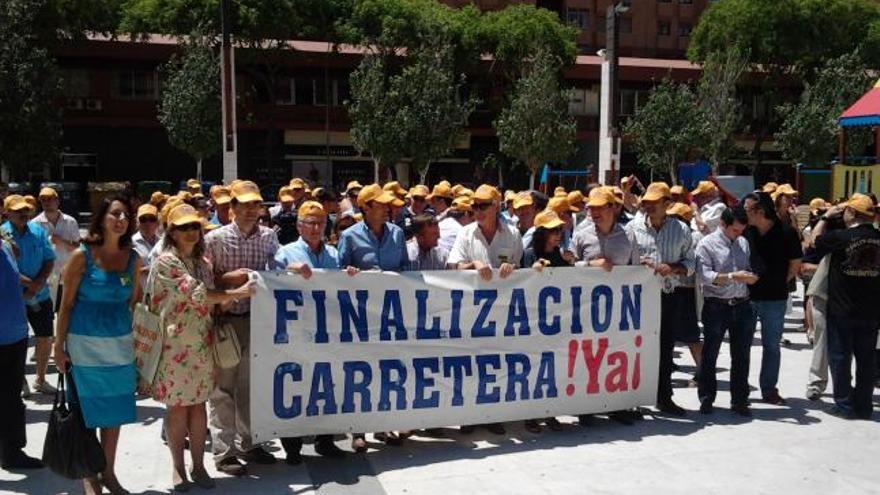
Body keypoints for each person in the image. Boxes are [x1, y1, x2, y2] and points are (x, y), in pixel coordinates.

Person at [149, 204, 253, 490]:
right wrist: (236, 293)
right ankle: (178, 468)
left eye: (195, 226)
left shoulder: (203, 263)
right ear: (171, 231)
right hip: (175, 346)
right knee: (178, 409)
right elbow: (198, 294)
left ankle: (198, 466)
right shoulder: (166, 261)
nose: (192, 231)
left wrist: (227, 298)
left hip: (202, 343)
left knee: (198, 408)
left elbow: (210, 299)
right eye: (184, 227)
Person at [54, 195, 141, 495]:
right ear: (102, 218)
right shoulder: (82, 256)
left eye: (126, 216)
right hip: (83, 347)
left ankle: (109, 472)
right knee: (88, 412)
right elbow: (65, 307)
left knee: (114, 413)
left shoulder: (133, 258)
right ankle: (89, 475)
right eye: (115, 214)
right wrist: (58, 347)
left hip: (120, 347)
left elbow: (135, 304)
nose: (121, 220)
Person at [204, 180, 280, 475]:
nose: (251, 210)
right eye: (245, 204)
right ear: (231, 207)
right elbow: (206, 280)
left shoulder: (269, 238)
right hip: (226, 320)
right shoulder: (215, 239)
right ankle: (224, 452)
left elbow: (278, 272)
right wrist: (228, 279)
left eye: (255, 204)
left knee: (250, 385)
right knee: (223, 388)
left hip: (258, 321)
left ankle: (249, 442)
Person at [272, 201, 349, 463]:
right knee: (295, 386)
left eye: (320, 223)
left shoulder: (334, 254)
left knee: (326, 383)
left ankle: (325, 440)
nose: (316, 228)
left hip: (327, 330)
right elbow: (269, 278)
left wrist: (352, 276)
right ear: (299, 225)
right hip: (295, 330)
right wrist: (289, 270)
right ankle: (292, 446)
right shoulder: (285, 253)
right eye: (310, 223)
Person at [337, 184, 409, 451]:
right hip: (359, 316)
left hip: (390, 314)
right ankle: (357, 430)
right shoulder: (350, 236)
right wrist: (350, 272)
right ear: (365, 208)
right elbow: (337, 274)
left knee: (387, 370)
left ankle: (384, 424)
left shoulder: (398, 234)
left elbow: (404, 268)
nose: (387, 208)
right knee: (359, 371)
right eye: (380, 204)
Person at [448, 184, 522, 435]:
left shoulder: (512, 234)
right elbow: (452, 267)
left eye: (482, 206)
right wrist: (473, 264)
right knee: (470, 363)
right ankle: (469, 415)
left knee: (496, 364)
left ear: (496, 206)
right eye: (474, 206)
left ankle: (493, 414)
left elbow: (521, 269)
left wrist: (512, 269)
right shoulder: (466, 233)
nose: (477, 210)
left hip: (502, 313)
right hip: (471, 312)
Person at [807, 194, 880, 419]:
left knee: (840, 357)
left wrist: (826, 218)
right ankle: (865, 405)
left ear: (852, 213)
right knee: (867, 359)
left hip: (842, 310)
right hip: (871, 310)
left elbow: (813, 241)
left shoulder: (841, 236)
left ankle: (845, 405)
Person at [626, 182, 694, 417]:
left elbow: (691, 264)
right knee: (636, 349)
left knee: (665, 349)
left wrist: (673, 268)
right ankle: (631, 400)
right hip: (638, 300)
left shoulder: (682, 230)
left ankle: (664, 397)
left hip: (668, 296)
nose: (648, 206)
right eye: (646, 202)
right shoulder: (633, 228)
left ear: (668, 204)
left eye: (654, 203)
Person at [694, 206, 759, 416]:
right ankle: (706, 399)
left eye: (741, 231)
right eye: (735, 230)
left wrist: (750, 277)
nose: (738, 234)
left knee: (741, 355)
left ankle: (740, 400)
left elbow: (747, 267)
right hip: (716, 306)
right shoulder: (706, 244)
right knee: (710, 354)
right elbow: (704, 276)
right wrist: (732, 276)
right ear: (723, 224)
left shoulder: (743, 242)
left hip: (742, 304)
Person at [742, 192, 802, 405]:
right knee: (742, 345)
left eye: (747, 209)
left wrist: (778, 282)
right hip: (746, 297)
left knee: (771, 346)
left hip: (775, 299)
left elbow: (795, 264)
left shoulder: (787, 232)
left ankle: (769, 389)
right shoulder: (746, 231)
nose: (743, 213)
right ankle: (741, 390)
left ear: (760, 211)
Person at [1, 195, 56, 395]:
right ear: (6, 213)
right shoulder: (2, 235)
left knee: (45, 337)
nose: (23, 214)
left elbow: (49, 259)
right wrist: (29, 283)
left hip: (40, 295)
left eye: (25, 210)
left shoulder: (38, 231)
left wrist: (39, 282)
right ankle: (21, 380)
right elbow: (8, 267)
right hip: (15, 300)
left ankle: (40, 380)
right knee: (19, 341)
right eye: (17, 211)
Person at [0, 233, 44, 470]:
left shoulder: (5, 244)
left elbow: (12, 276)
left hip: (15, 335)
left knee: (11, 399)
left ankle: (12, 452)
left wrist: (31, 285)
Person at [32, 187, 80, 310]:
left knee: (67, 311)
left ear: (57, 201)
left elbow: (78, 248)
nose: (47, 203)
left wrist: (62, 242)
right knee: (47, 313)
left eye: (50, 199)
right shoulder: (34, 224)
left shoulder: (70, 222)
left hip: (67, 275)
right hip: (46, 276)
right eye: (43, 200)